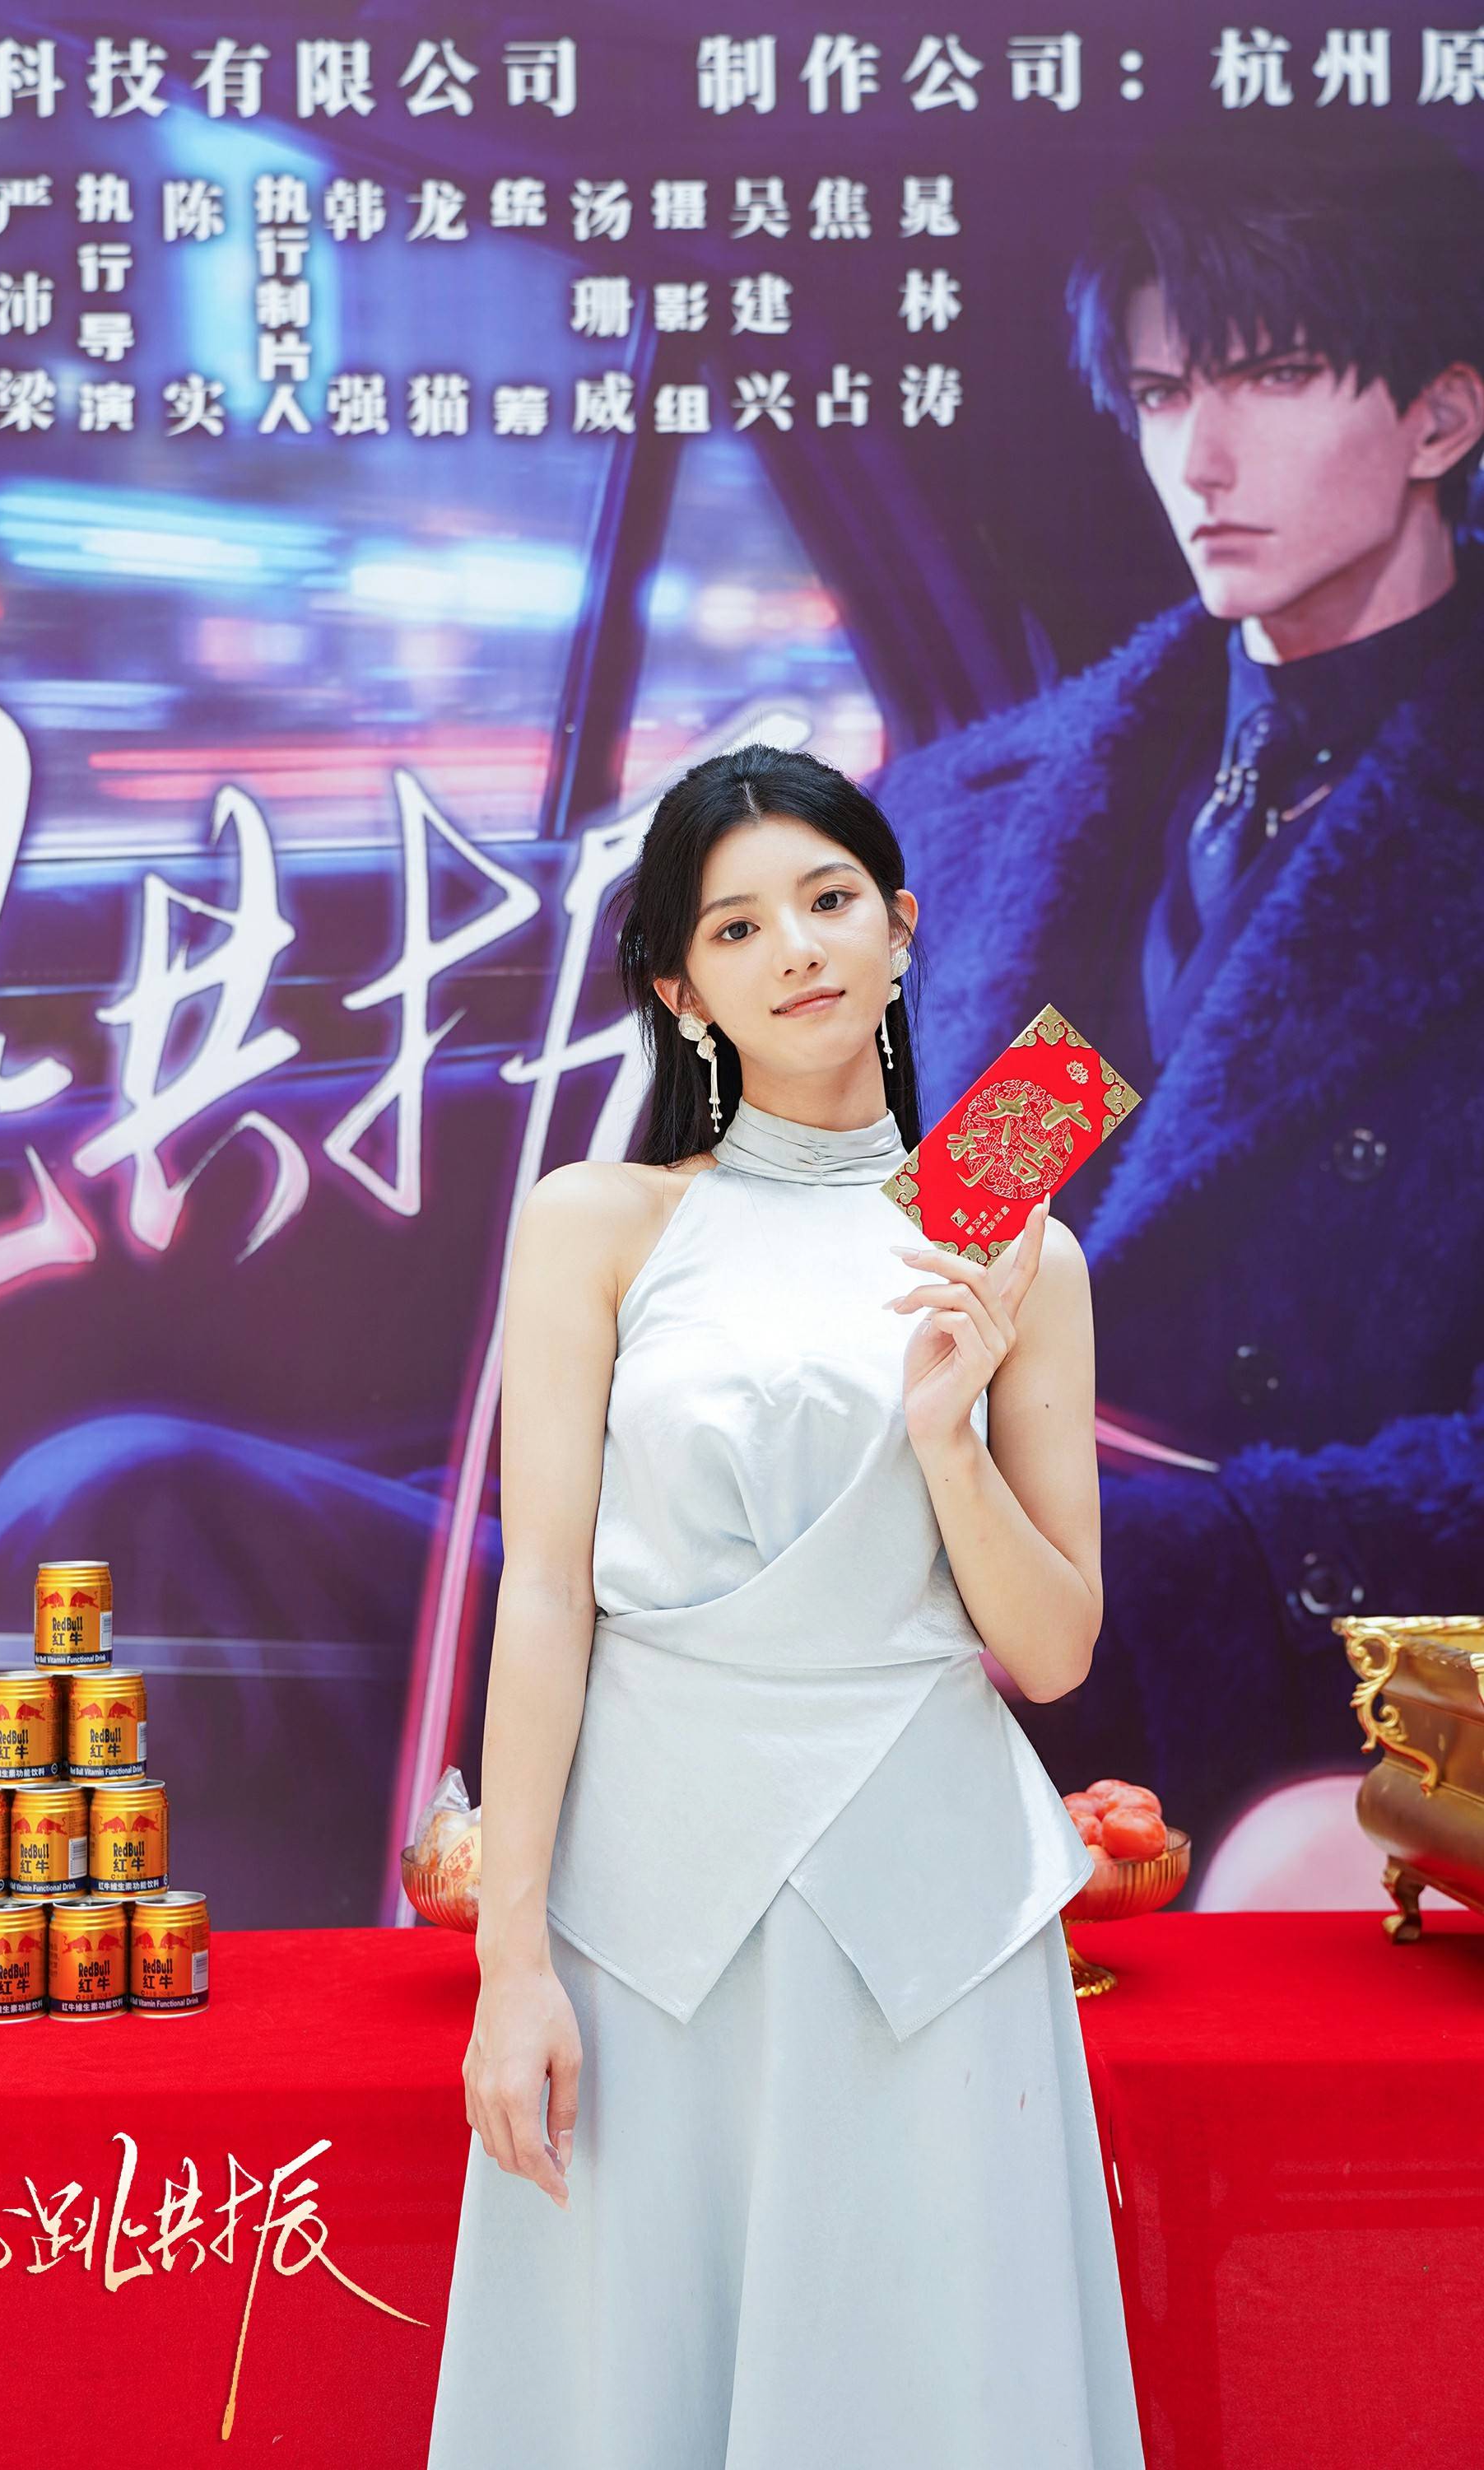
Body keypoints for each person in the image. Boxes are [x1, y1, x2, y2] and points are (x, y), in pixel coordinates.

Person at [425, 744, 1146, 2468]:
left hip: (928, 1903)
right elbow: (546, 1596)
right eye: (736, 927)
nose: (797, 949)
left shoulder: (1010, 1240)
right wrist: (513, 1967)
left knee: (938, 2387)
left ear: (901, 925)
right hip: (648, 1902)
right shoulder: (599, 1223)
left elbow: (1052, 1651)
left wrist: (946, 1438)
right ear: (681, 990)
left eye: (829, 901)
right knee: (632, 2384)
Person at [871, 120, 1484, 1880]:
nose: (1201, 459)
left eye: (1275, 377)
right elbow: (981, 1211)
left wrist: (1153, 1571)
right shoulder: (1055, 808)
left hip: (1297, 1653)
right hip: (957, 1575)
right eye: (1160, 393)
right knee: (188, 1501)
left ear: (1439, 420)